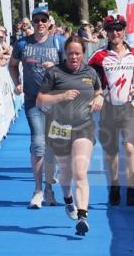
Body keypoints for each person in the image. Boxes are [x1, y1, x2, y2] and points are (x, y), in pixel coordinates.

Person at [36, 35, 103, 236]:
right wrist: (61, 96)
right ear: (65, 53)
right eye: (70, 53)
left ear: (83, 54)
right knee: (65, 172)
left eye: (78, 53)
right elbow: (40, 100)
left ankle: (83, 217)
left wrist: (99, 99)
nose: (74, 57)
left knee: (80, 172)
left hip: (84, 127)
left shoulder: (90, 72)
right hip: (59, 128)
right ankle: (67, 198)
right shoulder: (54, 72)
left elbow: (99, 91)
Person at [10, 4, 66, 208]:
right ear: (32, 23)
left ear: (50, 22)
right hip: (33, 100)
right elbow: (12, 65)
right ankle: (38, 190)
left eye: (44, 20)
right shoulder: (22, 44)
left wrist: (56, 68)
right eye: (37, 20)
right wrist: (17, 83)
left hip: (56, 101)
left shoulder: (59, 42)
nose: (40, 24)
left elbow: (71, 70)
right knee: (39, 144)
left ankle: (50, 189)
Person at [89, 14, 134, 206]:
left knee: (129, 147)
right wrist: (97, 93)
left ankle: (131, 190)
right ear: (106, 32)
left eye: (118, 29)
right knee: (111, 151)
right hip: (108, 109)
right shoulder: (99, 56)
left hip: (129, 108)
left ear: (124, 30)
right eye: (111, 30)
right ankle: (114, 186)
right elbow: (88, 76)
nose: (115, 33)